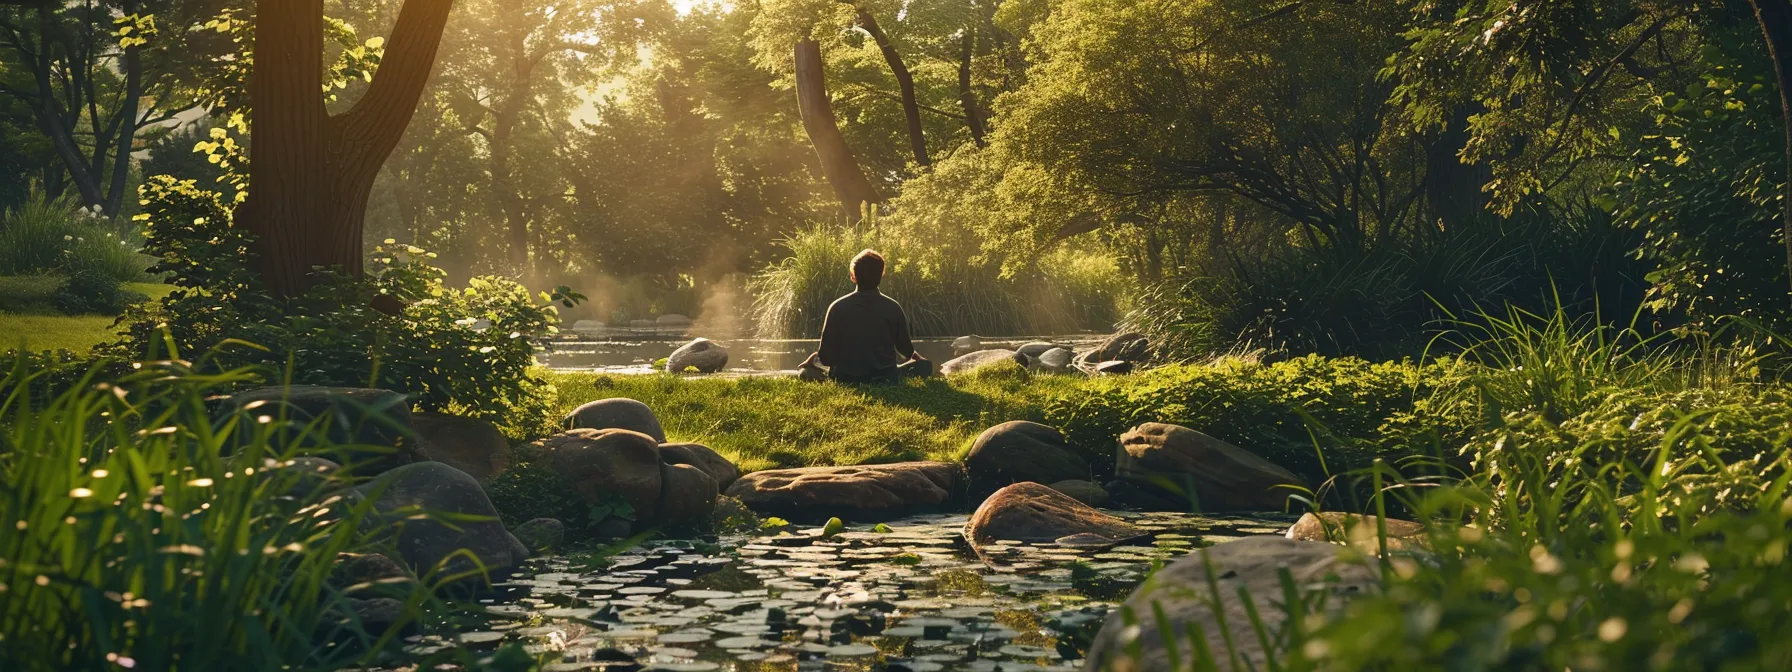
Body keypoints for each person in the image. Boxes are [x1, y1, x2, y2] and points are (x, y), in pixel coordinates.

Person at [798, 249, 931, 383]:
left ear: (853, 276)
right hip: (886, 377)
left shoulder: (837, 307)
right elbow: (906, 350)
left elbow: (826, 358)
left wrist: (814, 357)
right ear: (881, 275)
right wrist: (918, 359)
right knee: (925, 366)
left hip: (845, 378)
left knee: (805, 372)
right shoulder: (893, 308)